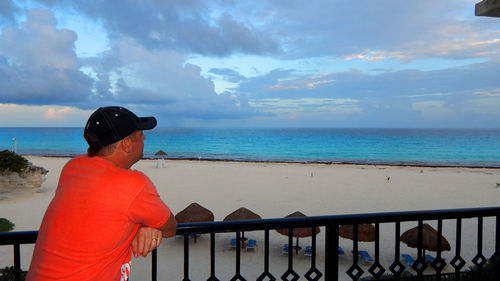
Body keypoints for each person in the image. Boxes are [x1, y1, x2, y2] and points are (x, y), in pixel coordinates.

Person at [27, 106, 177, 281]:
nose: (143, 137)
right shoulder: (134, 184)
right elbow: (170, 227)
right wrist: (146, 225)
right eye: (139, 135)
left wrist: (144, 225)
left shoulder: (73, 167)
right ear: (126, 144)